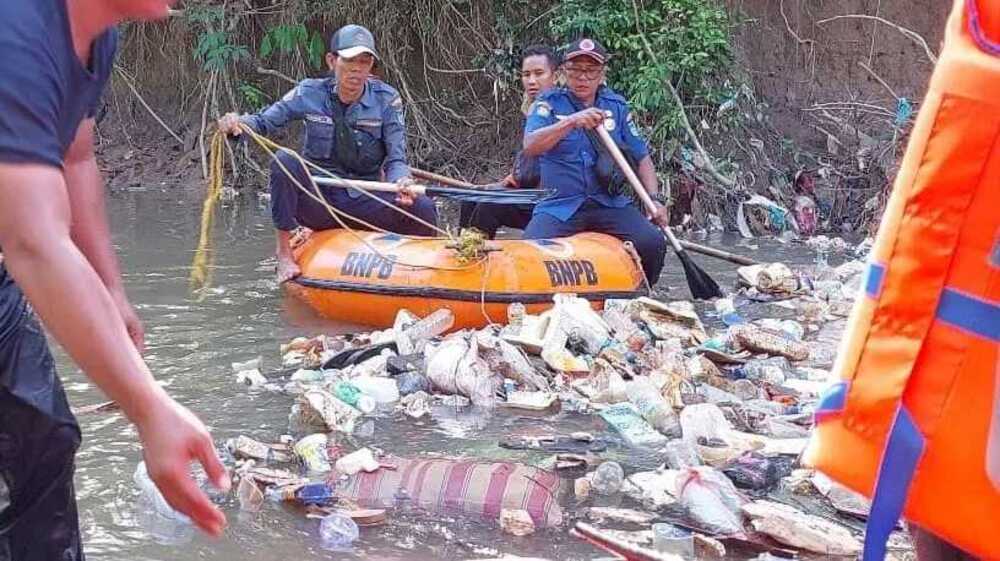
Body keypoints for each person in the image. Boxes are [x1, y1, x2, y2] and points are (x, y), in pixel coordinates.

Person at [0, 0, 229, 558]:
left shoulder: (96, 36)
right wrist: (149, 409)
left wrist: (113, 292)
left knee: (46, 442)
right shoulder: (14, 32)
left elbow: (76, 159)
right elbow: (32, 240)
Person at [219, 24, 437, 283]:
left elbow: (397, 158)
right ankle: (284, 252)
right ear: (332, 61)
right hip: (320, 200)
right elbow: (263, 122)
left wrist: (400, 182)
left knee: (423, 206)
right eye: (349, 61)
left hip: (365, 197)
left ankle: (425, 272)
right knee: (285, 161)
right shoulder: (308, 92)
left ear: (371, 66)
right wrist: (237, 125)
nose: (357, 69)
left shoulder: (388, 100)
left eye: (364, 61)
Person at [521, 38, 669, 283]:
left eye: (590, 71)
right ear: (563, 73)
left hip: (608, 204)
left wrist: (655, 200)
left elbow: (642, 157)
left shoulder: (616, 106)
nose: (583, 78)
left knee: (652, 242)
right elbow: (531, 146)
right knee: (529, 253)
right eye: (576, 70)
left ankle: (643, 294)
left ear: (602, 75)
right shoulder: (547, 104)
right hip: (560, 206)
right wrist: (571, 121)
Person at [459, 45, 559, 239]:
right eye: (526, 74)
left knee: (488, 206)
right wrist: (510, 179)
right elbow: (527, 159)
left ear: (555, 76)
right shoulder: (529, 108)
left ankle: (474, 255)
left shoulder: (560, 109)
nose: (532, 81)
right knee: (469, 197)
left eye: (539, 74)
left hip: (547, 199)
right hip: (524, 191)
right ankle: (461, 254)